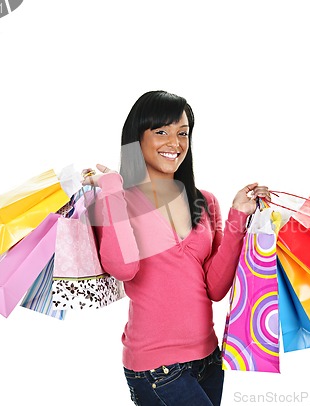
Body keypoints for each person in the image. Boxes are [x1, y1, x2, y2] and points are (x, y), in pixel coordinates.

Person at [82, 90, 270, 406]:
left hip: (210, 359)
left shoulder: (205, 201)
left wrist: (239, 216)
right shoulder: (117, 200)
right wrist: (112, 190)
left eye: (183, 133)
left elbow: (215, 287)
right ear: (137, 138)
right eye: (162, 132)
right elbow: (123, 269)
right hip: (157, 368)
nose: (176, 143)